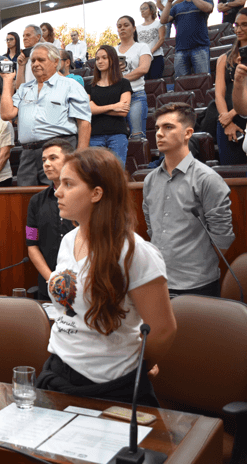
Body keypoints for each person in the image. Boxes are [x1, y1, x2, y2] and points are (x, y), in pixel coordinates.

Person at [37, 147, 177, 407]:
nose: (57, 191)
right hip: (57, 370)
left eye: (68, 184)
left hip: (110, 384)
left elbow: (163, 330)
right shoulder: (68, 240)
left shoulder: (135, 252)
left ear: (96, 193)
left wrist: (139, 364)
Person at [143, 103, 235, 297]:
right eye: (157, 127)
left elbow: (222, 240)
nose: (159, 133)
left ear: (187, 133)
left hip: (198, 284)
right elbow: (153, 229)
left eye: (168, 127)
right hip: (160, 281)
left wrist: (197, 265)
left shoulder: (206, 179)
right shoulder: (150, 180)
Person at [1, 43, 91, 186]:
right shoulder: (25, 88)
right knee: (27, 200)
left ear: (56, 62)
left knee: (59, 199)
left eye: (41, 60)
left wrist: (80, 157)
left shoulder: (70, 85)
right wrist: (7, 81)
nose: (35, 64)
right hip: (28, 154)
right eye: (33, 61)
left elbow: (84, 123)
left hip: (59, 150)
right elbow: (6, 114)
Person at [25, 138, 76, 301]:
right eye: (44, 160)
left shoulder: (84, 196)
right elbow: (32, 244)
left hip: (82, 284)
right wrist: (52, 279)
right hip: (48, 287)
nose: (46, 164)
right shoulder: (36, 202)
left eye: (53, 158)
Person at [86, 45, 133, 165]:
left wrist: (97, 109)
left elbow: (123, 111)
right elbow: (88, 110)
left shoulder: (124, 83)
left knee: (117, 174)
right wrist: (113, 106)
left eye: (104, 58)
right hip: (95, 135)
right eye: (97, 59)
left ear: (112, 59)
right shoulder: (90, 86)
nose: (100, 61)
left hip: (117, 134)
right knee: (97, 175)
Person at [160, 0, 215, 77]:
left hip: (200, 47)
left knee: (203, 79)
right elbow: (163, 20)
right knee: (181, 82)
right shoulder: (177, 7)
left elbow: (208, 8)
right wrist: (169, 2)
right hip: (181, 50)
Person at [215, 9, 247, 165]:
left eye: (244, 25)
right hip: (226, 119)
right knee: (230, 174)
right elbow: (219, 94)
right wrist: (226, 120)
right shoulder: (224, 58)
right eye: (237, 25)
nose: (239, 29)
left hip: (241, 114)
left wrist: (232, 114)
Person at [115, 15, 151, 140]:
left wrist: (121, 79)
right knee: (116, 136)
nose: (122, 29)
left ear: (134, 28)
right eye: (119, 26)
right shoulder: (112, 51)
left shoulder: (142, 47)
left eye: (126, 25)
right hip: (115, 97)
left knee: (137, 135)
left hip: (136, 94)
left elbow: (143, 69)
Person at [138, 2, 166, 80]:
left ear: (151, 10)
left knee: (156, 81)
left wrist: (151, 51)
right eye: (141, 9)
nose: (142, 11)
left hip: (156, 57)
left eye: (145, 8)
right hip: (143, 59)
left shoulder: (159, 23)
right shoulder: (137, 28)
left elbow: (161, 39)